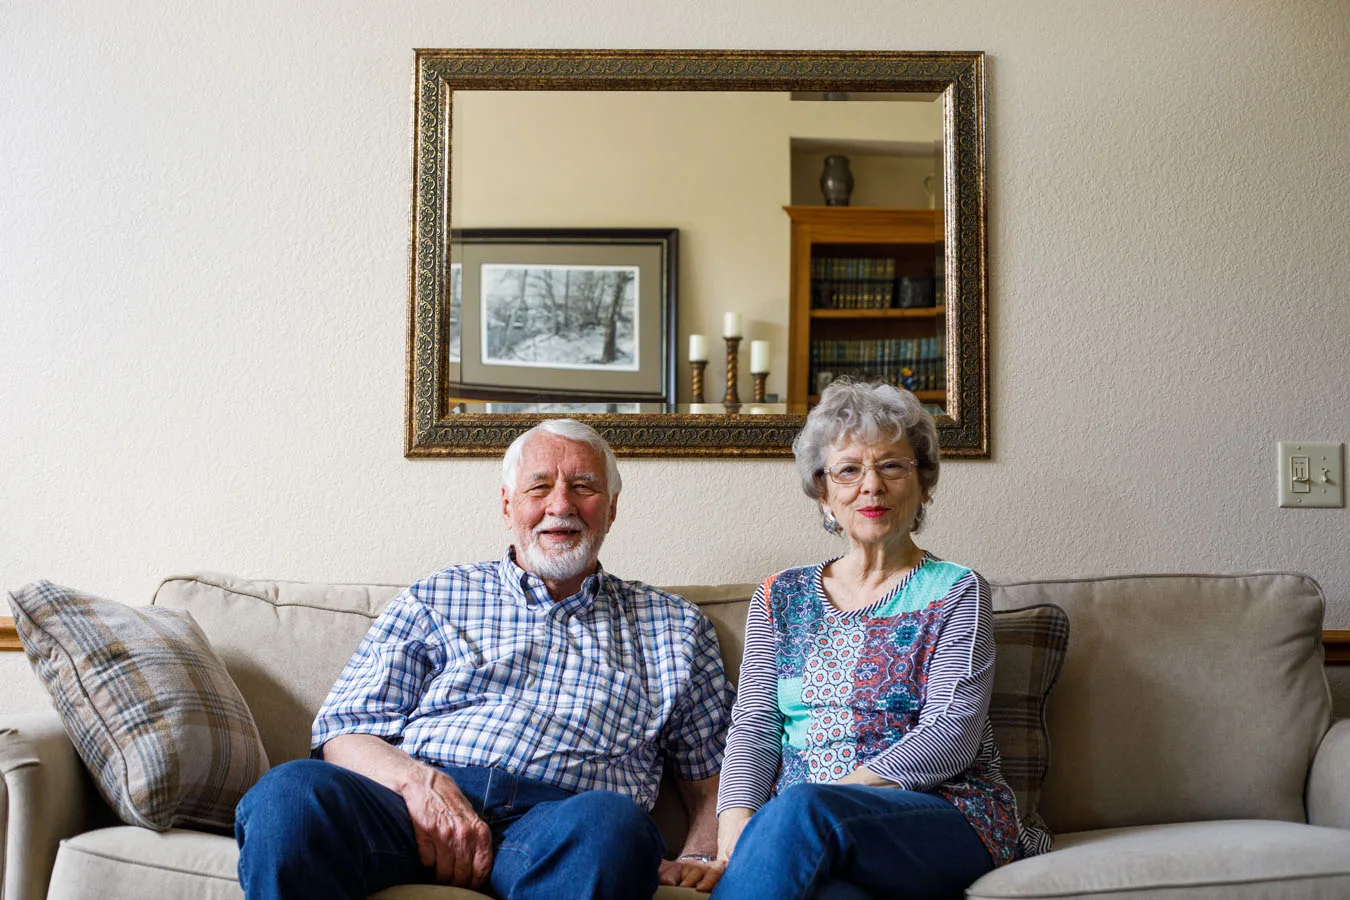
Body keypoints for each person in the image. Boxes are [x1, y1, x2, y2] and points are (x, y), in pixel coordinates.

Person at [234, 419, 733, 900]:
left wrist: (700, 855)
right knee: (291, 795)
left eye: (583, 486)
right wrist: (418, 784)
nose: (561, 504)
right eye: (539, 487)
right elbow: (345, 730)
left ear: (613, 508)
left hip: (563, 826)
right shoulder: (437, 595)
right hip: (414, 804)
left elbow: (716, 775)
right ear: (507, 504)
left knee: (614, 827)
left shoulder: (675, 626)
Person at [707, 380, 1051, 900]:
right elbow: (755, 727)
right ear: (825, 494)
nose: (871, 485)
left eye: (891, 466)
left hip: (943, 812)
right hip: (806, 833)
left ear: (924, 484)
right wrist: (735, 833)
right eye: (849, 470)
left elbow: (951, 734)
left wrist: (819, 805)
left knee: (803, 810)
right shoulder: (780, 595)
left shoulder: (957, 589)